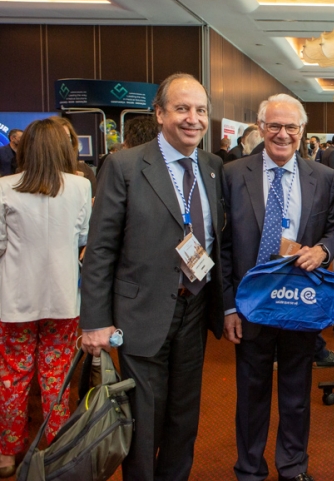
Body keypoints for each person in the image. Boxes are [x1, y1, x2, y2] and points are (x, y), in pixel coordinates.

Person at [80, 72, 225, 481]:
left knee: (184, 414)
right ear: (159, 113)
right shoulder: (125, 165)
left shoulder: (212, 167)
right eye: (182, 109)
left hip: (195, 308)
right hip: (141, 310)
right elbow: (100, 248)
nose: (193, 118)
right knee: (143, 419)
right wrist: (94, 320)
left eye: (200, 110)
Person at [222, 94, 334, 481]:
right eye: (274, 126)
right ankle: (249, 470)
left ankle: (292, 467)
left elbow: (333, 230)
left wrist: (323, 250)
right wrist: (228, 306)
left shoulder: (323, 176)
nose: (282, 134)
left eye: (291, 127)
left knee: (296, 393)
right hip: (251, 303)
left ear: (302, 131)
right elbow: (222, 245)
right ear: (260, 128)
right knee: (250, 394)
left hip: (298, 301)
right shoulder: (233, 174)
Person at [0, 120, 91, 478]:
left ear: (24, 149)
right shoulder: (80, 186)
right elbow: (83, 238)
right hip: (63, 298)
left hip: (14, 299)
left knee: (13, 375)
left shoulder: (4, 187)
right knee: (56, 375)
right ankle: (55, 447)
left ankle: (8, 452)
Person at [48, 116, 97, 195]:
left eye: (67, 137)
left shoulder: (84, 170)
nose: (64, 142)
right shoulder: (35, 172)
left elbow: (93, 199)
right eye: (59, 137)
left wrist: (80, 183)